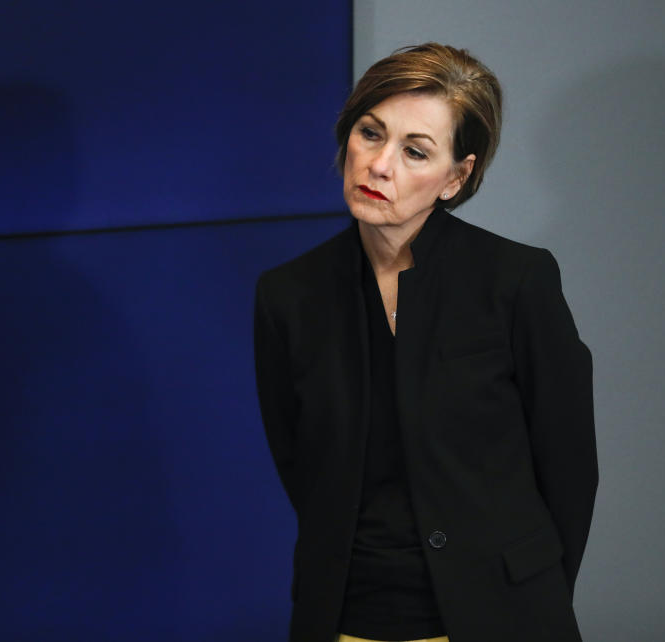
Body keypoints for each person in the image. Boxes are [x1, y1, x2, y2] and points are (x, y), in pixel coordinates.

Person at [253, 43, 597, 642]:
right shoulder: (288, 295)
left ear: (456, 177)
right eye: (370, 133)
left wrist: (532, 598)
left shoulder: (516, 280)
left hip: (502, 613)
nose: (379, 165)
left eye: (415, 151)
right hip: (345, 615)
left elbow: (569, 467)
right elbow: (300, 465)